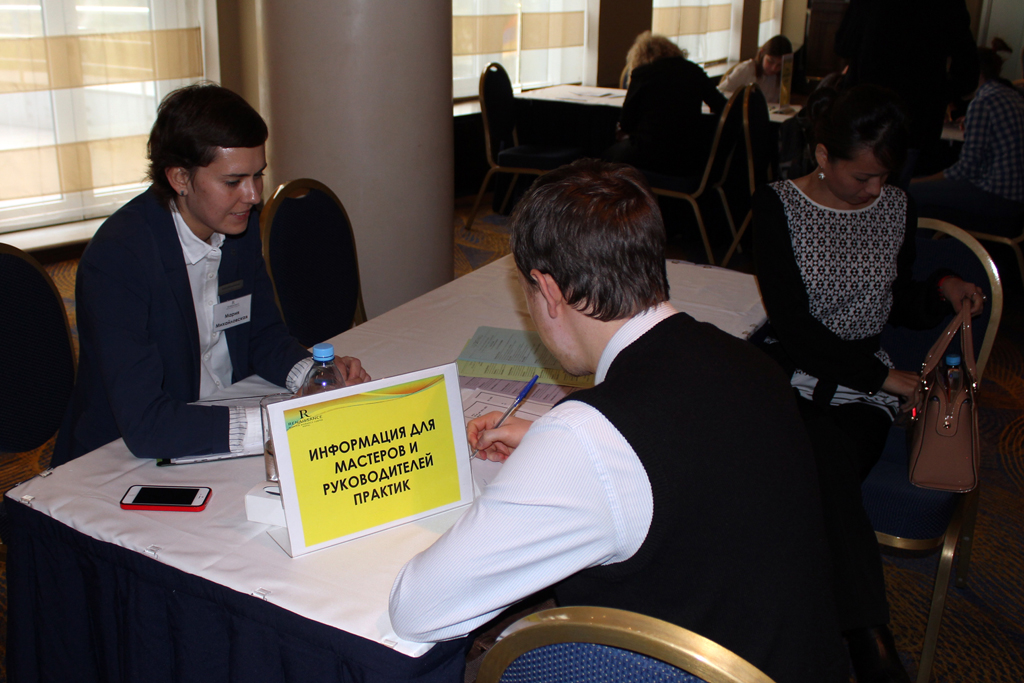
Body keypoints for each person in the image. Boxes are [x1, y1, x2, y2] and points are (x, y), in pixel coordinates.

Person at [390, 159, 847, 682]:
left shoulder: (588, 438)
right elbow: (693, 454)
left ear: (548, 291)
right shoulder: (749, 361)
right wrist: (548, 444)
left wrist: (559, 451)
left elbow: (418, 609)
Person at [752, 85, 984, 683]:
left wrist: (942, 287)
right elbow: (794, 328)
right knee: (818, 463)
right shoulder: (778, 206)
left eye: (885, 176)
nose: (876, 190)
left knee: (820, 464)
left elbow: (895, 300)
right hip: (792, 369)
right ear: (823, 156)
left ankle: (837, 636)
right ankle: (868, 640)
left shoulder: (896, 207)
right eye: (863, 176)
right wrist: (884, 377)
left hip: (862, 385)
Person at [52, 83, 370, 466]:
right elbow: (147, 424)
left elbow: (262, 335)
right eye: (233, 181)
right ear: (180, 179)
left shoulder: (236, 224)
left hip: (217, 419)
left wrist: (317, 377)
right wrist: (284, 424)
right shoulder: (119, 257)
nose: (253, 196)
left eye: (258, 176)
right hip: (120, 458)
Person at [835, 0, 978, 181]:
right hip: (918, 119)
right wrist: (938, 94)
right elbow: (967, 73)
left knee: (854, 186)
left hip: (867, 112)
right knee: (900, 190)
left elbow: (843, 45)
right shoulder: (948, 4)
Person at [910, 47, 1024, 232]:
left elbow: (966, 169)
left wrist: (917, 182)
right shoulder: (1012, 94)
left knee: (911, 193)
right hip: (1015, 199)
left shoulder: (983, 102)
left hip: (995, 197)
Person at [604, 31, 726, 176]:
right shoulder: (694, 70)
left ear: (639, 56)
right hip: (688, 154)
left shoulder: (642, 74)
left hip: (649, 153)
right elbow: (721, 105)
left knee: (607, 155)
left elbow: (627, 123)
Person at [717, 35, 792, 104]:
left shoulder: (780, 76)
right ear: (762, 53)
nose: (774, 68)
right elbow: (721, 91)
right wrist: (744, 99)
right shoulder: (747, 69)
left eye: (779, 65)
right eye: (770, 61)